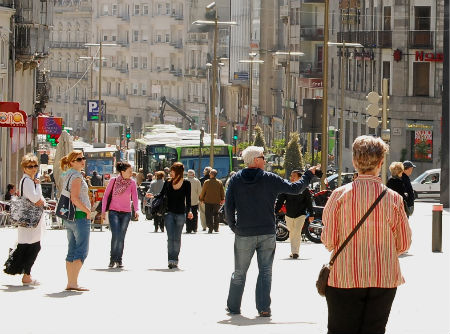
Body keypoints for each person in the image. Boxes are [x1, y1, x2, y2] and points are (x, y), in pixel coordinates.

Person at [321, 136, 411, 334]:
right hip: (384, 277)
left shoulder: (339, 195)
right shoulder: (394, 198)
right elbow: (404, 243)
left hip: (344, 277)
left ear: (354, 161)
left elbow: (328, 241)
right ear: (381, 163)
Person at [225, 146, 318, 317]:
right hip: (267, 231)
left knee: (239, 272)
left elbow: (228, 207)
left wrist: (233, 226)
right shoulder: (269, 178)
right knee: (265, 271)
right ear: (255, 160)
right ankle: (263, 308)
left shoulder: (235, 180)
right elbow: (295, 188)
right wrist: (308, 174)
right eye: (262, 157)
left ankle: (233, 307)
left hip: (244, 232)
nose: (265, 160)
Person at [3, 154, 45, 285]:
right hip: (30, 220)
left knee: (27, 246)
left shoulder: (28, 180)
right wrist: (38, 186)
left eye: (35, 166)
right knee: (32, 247)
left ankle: (23, 272)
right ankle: (26, 274)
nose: (33, 169)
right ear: (24, 168)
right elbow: (36, 199)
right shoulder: (27, 181)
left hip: (29, 220)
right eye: (30, 166)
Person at [149, 163, 193, 269]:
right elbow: (161, 194)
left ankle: (175, 259)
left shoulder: (186, 183)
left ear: (178, 172)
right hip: (169, 213)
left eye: (172, 171)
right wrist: (152, 196)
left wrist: (189, 211)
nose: (170, 173)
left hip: (181, 213)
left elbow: (188, 199)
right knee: (170, 238)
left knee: (177, 238)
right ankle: (170, 260)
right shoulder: (168, 182)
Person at [60, 150, 91, 291]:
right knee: (82, 250)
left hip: (69, 216)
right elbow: (74, 198)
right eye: (79, 159)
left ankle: (71, 282)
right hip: (79, 216)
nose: (82, 161)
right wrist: (87, 210)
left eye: (83, 158)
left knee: (71, 249)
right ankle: (73, 282)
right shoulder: (77, 176)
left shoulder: (67, 174)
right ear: (72, 162)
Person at [102, 161, 139, 268]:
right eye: (129, 171)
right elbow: (106, 196)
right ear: (122, 172)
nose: (131, 173)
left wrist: (136, 210)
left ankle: (119, 259)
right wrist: (104, 211)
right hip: (114, 212)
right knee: (116, 235)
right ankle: (112, 259)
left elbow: (135, 197)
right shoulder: (113, 181)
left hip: (126, 213)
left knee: (121, 236)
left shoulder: (132, 182)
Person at [274, 170, 314, 259]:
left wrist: (311, 214)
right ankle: (294, 251)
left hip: (301, 215)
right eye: (291, 176)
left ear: (300, 178)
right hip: (288, 215)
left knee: (296, 231)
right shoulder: (287, 188)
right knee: (292, 233)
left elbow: (309, 203)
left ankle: (295, 252)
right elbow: (280, 201)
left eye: (294, 176)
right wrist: (275, 212)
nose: (291, 178)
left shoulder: (305, 190)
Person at [199, 169, 225, 233]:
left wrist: (201, 199)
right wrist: (222, 199)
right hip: (217, 201)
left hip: (208, 201)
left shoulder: (207, 182)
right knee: (216, 214)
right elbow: (222, 192)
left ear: (211, 174)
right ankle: (216, 228)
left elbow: (203, 191)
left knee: (208, 214)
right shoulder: (219, 182)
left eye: (210, 173)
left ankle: (210, 228)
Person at [198, 166, 211, 231]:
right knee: (210, 212)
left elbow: (199, 190)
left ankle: (204, 226)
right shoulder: (214, 180)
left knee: (202, 212)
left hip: (203, 198)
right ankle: (210, 225)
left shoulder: (201, 180)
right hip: (211, 199)